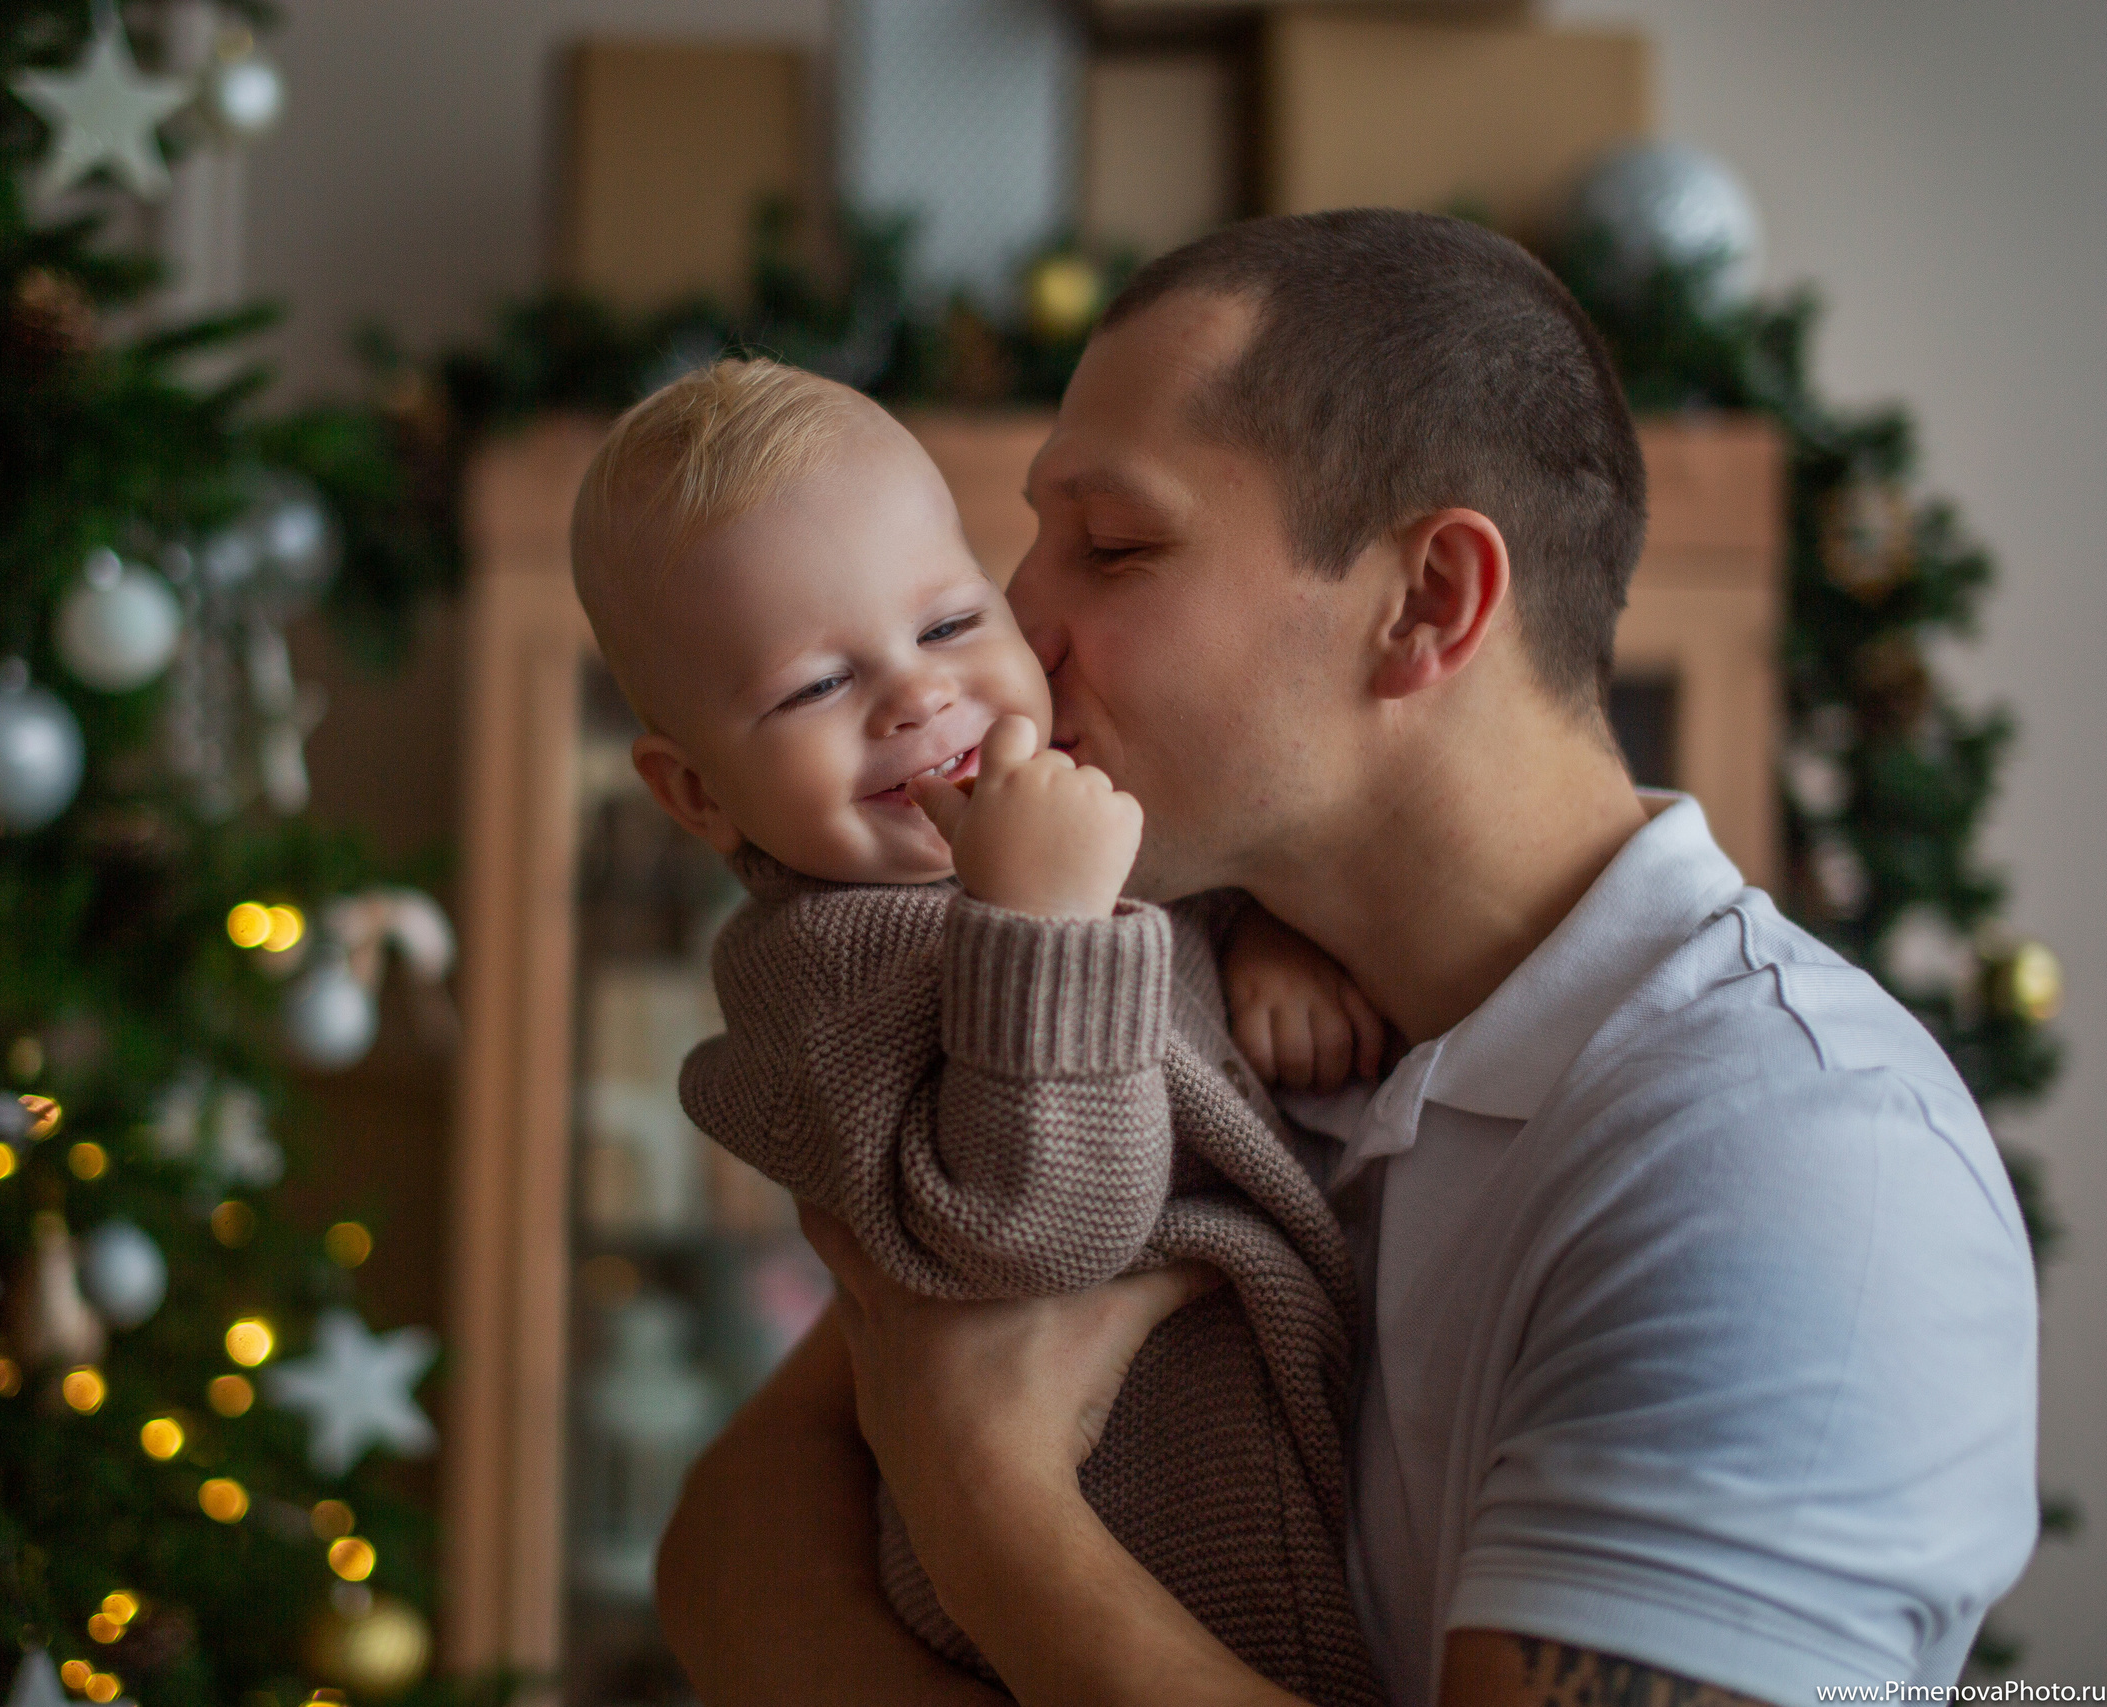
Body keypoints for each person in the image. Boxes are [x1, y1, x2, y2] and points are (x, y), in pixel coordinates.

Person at [656, 211, 2041, 1707]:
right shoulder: (1166, 992)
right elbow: (728, 1548)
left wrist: (987, 1500)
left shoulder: (1789, 1162)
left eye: (1112, 546)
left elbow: (902, 1443)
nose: (1014, 628)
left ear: (1427, 604)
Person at [567, 358, 1384, 1703]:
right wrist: (1043, 926)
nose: (914, 696)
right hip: (1138, 1567)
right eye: (813, 688)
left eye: (950, 622)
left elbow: (1162, 902)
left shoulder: (1033, 819)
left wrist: (1265, 933)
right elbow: (1037, 1231)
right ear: (697, 794)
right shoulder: (824, 975)